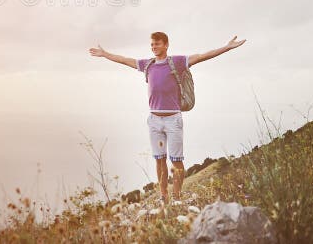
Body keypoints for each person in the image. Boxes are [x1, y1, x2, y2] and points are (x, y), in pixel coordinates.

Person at [88, 32, 246, 204]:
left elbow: (202, 56)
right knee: (159, 159)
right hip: (155, 121)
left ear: (166, 45)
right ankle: (164, 196)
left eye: (157, 44)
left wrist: (226, 47)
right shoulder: (147, 65)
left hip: (173, 120)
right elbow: (126, 60)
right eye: (152, 45)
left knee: (176, 161)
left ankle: (177, 196)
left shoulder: (176, 62)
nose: (154, 47)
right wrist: (105, 54)